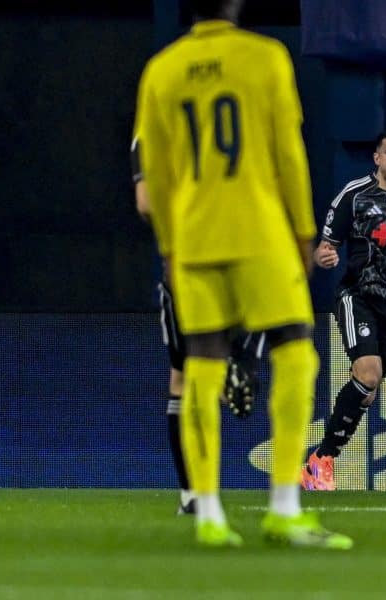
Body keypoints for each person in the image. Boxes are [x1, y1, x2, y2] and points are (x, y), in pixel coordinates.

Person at [133, 0, 350, 548]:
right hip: (259, 231)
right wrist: (304, 231)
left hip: (193, 237)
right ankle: (282, 506)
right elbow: (288, 152)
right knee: (296, 349)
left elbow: (154, 175)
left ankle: (207, 513)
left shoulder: (161, 69)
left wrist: (168, 246)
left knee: (200, 367)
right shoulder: (265, 56)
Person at [132, 138, 263, 516]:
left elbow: (145, 202)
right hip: (241, 254)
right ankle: (240, 360)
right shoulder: (233, 115)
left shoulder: (152, 128)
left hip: (187, 267)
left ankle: (193, 493)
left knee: (182, 378)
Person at [302, 127, 386, 491]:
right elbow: (326, 247)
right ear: (377, 158)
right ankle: (321, 461)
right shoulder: (354, 196)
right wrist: (323, 256)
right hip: (357, 296)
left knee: (367, 390)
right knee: (368, 374)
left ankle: (320, 459)